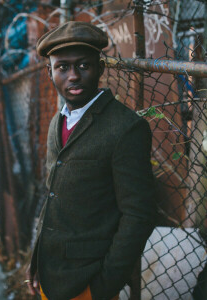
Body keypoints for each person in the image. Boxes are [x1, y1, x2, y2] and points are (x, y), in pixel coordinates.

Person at [25, 21, 157, 300]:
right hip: (51, 275)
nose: (73, 76)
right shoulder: (57, 122)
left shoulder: (125, 128)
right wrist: (37, 260)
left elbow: (138, 214)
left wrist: (103, 286)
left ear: (100, 68)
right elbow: (52, 197)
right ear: (50, 72)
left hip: (87, 281)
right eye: (62, 67)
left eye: (83, 65)